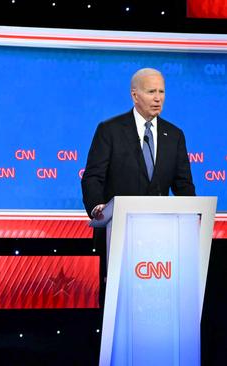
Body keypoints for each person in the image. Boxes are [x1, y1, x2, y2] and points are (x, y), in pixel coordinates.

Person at [81, 67, 195, 306]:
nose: (158, 98)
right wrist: (97, 208)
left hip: (162, 240)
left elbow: (184, 186)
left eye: (162, 91)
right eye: (151, 91)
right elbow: (92, 177)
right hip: (118, 235)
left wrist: (192, 219)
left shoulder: (174, 135)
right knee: (119, 305)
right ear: (135, 95)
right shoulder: (109, 130)